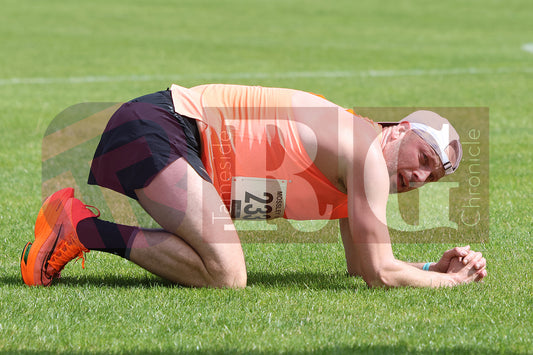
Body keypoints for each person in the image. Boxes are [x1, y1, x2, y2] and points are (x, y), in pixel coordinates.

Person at [20, 84, 487, 288]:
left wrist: (428, 266)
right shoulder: (363, 152)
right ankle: (79, 229)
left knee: (221, 269)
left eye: (433, 177)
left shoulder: (363, 167)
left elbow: (364, 265)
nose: (420, 177)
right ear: (401, 129)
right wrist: (453, 282)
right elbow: (381, 274)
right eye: (424, 159)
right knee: (227, 273)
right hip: (165, 127)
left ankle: (76, 227)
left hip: (165, 134)